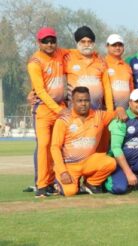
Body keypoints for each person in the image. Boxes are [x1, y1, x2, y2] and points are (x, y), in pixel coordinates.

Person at [50, 87, 117, 196]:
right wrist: (63, 172)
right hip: (69, 165)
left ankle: (90, 183)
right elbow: (55, 147)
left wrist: (120, 110)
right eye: (79, 101)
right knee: (70, 192)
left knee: (110, 163)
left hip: (89, 162)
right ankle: (57, 182)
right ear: (72, 102)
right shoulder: (63, 120)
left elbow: (116, 114)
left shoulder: (99, 115)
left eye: (86, 100)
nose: (83, 104)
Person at [27, 27, 70, 197]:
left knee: (56, 147)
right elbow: (40, 91)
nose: (50, 44)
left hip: (60, 107)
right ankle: (42, 185)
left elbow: (77, 52)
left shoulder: (60, 53)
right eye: (46, 41)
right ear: (39, 43)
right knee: (44, 146)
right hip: (44, 110)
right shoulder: (35, 62)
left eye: (53, 40)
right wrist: (59, 110)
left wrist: (93, 53)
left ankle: (51, 182)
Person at [65, 26, 112, 111]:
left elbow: (107, 89)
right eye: (83, 42)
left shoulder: (101, 61)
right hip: (74, 114)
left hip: (97, 113)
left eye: (89, 42)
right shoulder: (68, 59)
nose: (86, 45)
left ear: (93, 43)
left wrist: (110, 111)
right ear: (77, 43)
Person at [104, 34, 134, 110]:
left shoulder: (127, 66)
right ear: (107, 46)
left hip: (127, 111)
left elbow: (131, 89)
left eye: (120, 45)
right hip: (108, 111)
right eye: (114, 45)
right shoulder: (102, 64)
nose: (117, 48)